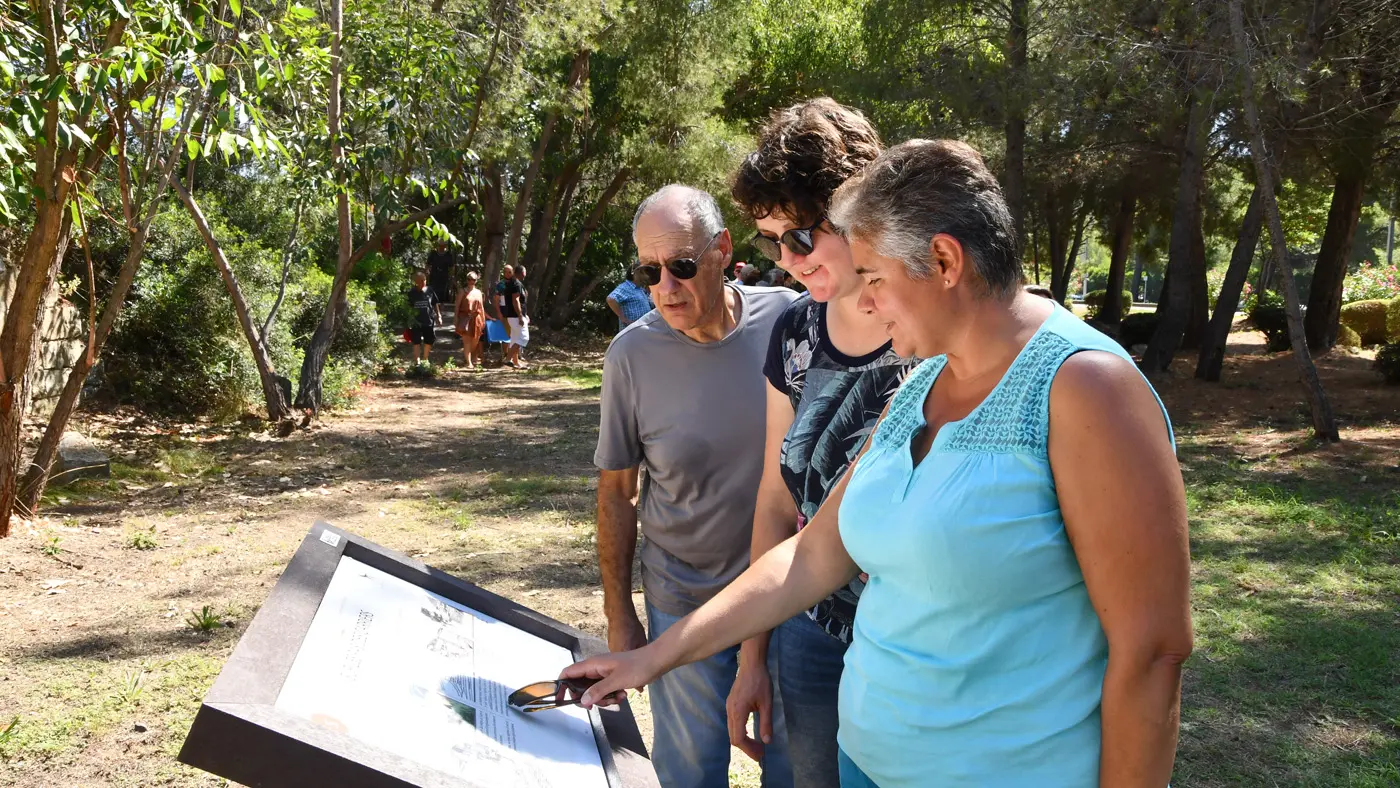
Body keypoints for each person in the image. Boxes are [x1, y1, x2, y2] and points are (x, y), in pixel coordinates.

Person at [565, 140, 1193, 788]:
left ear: (944, 261)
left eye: (874, 278)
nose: (863, 305)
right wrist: (650, 660)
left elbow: (1151, 654)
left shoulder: (1087, 386)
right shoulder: (921, 384)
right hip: (867, 764)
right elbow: (813, 555)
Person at [725, 97, 913, 788]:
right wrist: (753, 660)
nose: (787, 260)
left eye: (799, 236)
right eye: (771, 242)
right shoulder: (796, 334)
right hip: (811, 631)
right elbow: (777, 501)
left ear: (858, 211)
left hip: (915, 637)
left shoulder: (934, 332)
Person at [593, 184, 799, 788]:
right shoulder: (630, 356)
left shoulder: (788, 322)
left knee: (794, 769)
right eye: (647, 270)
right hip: (681, 595)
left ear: (723, 250)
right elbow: (615, 494)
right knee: (687, 772)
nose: (664, 287)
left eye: (681, 265)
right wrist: (620, 616)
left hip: (788, 595)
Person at [606, 267, 655, 333]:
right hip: (631, 332)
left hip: (642, 330)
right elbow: (611, 299)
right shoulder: (625, 287)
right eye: (644, 273)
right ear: (635, 273)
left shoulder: (639, 289)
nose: (646, 276)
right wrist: (623, 319)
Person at [454, 271, 486, 369]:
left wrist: (483, 319)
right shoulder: (462, 291)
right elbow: (457, 306)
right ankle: (468, 362)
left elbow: (481, 307)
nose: (471, 281)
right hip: (465, 318)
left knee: (475, 340)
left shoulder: (479, 292)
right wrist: (456, 318)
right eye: (469, 279)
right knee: (466, 340)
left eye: (473, 279)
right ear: (466, 280)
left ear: (476, 281)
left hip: (477, 318)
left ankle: (472, 358)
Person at [407, 270, 439, 365]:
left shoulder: (430, 290)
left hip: (428, 320)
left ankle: (425, 359)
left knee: (428, 340)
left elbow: (435, 303)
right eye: (419, 281)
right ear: (415, 282)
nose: (422, 283)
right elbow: (408, 306)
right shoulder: (411, 293)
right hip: (416, 321)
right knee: (416, 341)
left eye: (423, 280)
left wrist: (439, 316)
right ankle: (417, 361)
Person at [502, 264, 530, 368]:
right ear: (522, 273)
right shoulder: (516, 284)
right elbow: (516, 300)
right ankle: (508, 359)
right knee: (524, 338)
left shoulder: (513, 283)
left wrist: (524, 314)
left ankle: (515, 362)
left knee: (515, 339)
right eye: (524, 273)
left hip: (512, 316)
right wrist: (520, 316)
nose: (525, 275)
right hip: (515, 316)